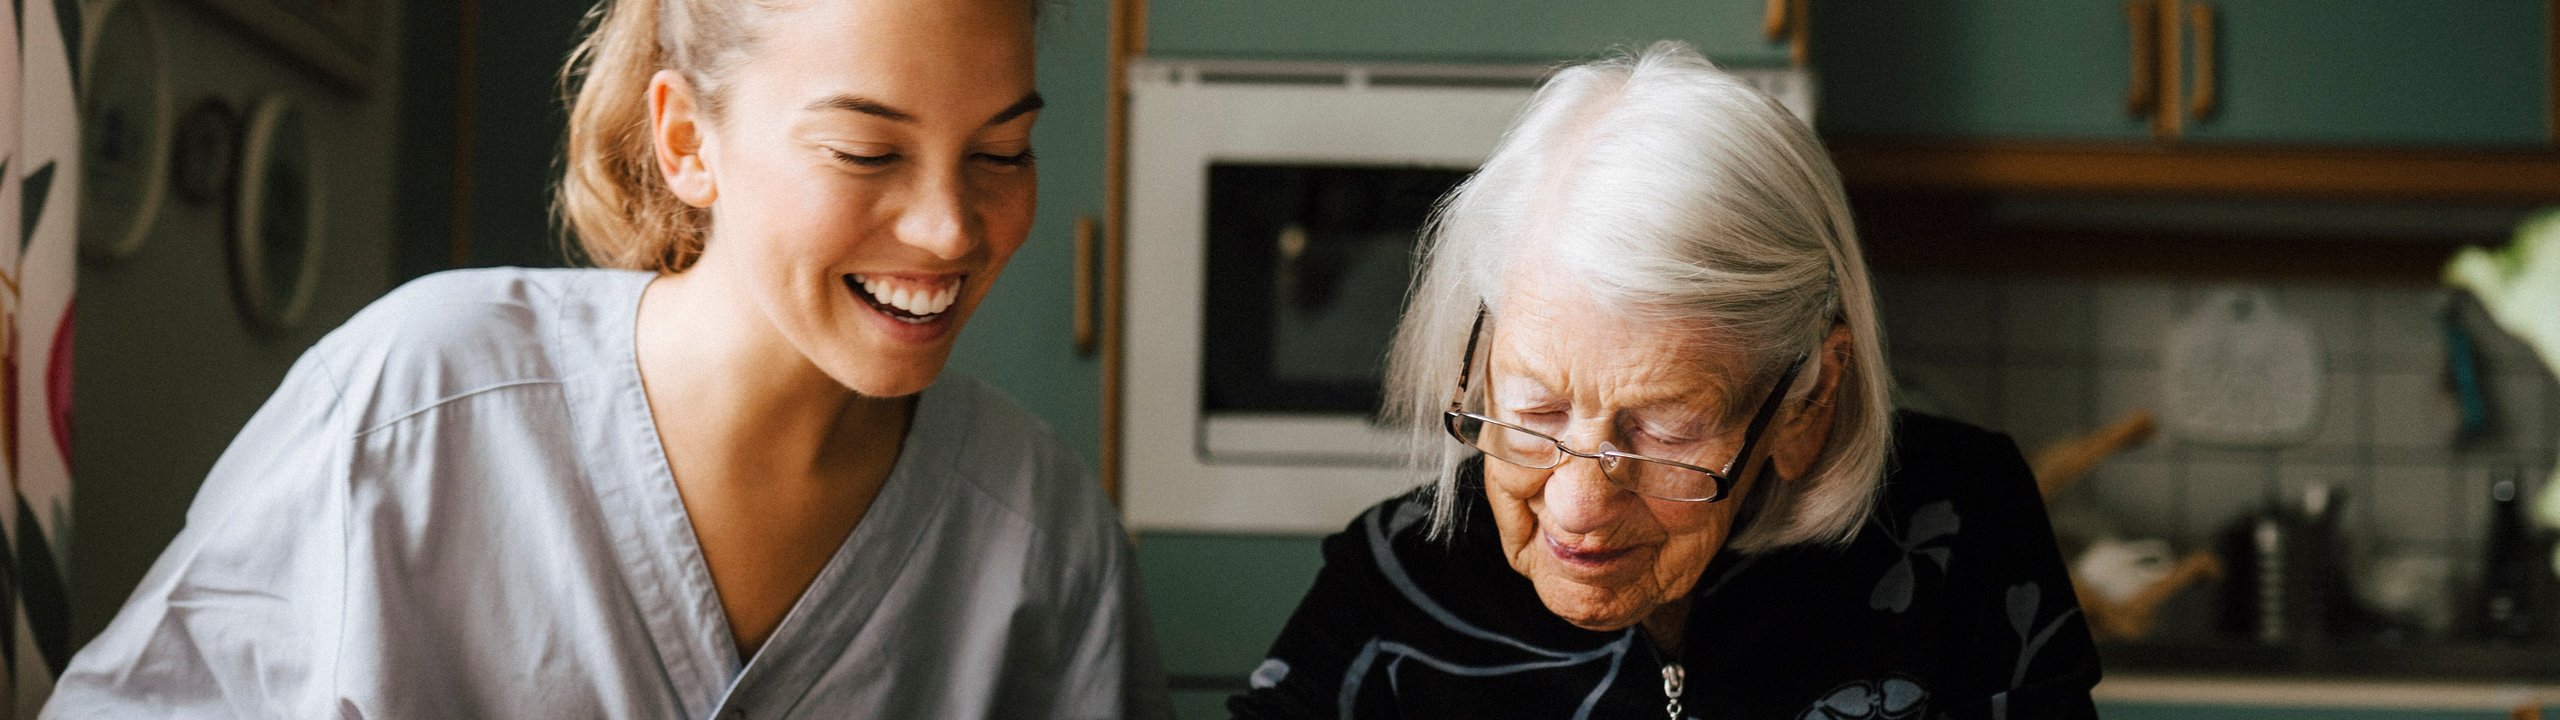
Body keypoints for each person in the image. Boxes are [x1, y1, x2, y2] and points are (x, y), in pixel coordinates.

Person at [46, 0, 1170, 716]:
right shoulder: (420, 399)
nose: (951, 229)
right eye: (866, 150)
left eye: (1002, 152)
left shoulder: (1043, 535)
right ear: (688, 142)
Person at [1228, 43, 2099, 720]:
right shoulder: (1396, 583)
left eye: (1666, 428)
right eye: (1534, 408)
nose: (1576, 507)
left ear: (1808, 400)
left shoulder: (1959, 524)